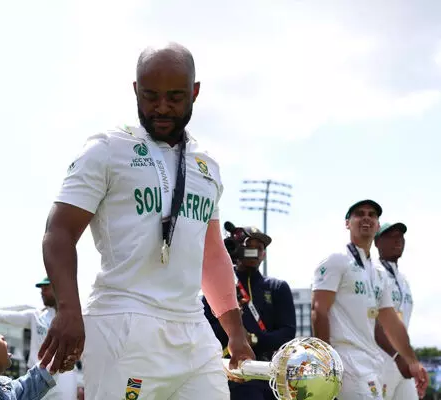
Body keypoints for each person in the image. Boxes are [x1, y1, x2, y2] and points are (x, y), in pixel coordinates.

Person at [40, 42, 254, 399]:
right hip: (124, 323)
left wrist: (235, 331)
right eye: (151, 96)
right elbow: (59, 232)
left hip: (192, 327)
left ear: (195, 93)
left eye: (175, 97)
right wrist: (67, 309)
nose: (162, 108)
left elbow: (212, 253)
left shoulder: (206, 164)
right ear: (136, 90)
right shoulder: (106, 149)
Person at [311, 200, 428, 399]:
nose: (366, 217)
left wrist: (411, 361)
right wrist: (326, 360)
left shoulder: (377, 272)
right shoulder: (336, 259)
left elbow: (391, 323)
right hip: (345, 358)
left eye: (372, 214)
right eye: (359, 213)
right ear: (347, 223)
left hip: (372, 360)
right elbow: (318, 310)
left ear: (377, 224)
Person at [203, 224, 295, 400]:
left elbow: (287, 333)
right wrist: (230, 320)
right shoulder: (217, 287)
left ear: (264, 254)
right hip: (234, 374)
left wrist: (254, 338)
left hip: (271, 374)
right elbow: (205, 332)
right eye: (248, 246)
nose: (254, 252)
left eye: (259, 248)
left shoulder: (277, 287)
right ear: (236, 249)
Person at [0, 277, 80, 400]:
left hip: (65, 377)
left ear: (58, 289)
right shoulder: (36, 316)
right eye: (41, 289)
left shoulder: (73, 320)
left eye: (46, 288)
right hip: (38, 376)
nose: (42, 292)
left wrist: (81, 383)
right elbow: (4, 317)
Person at [372, 222, 417, 400]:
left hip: (402, 360)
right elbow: (372, 322)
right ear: (377, 242)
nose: (398, 240)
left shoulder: (403, 279)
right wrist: (396, 355)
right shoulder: (373, 273)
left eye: (400, 236)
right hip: (381, 360)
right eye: (391, 236)